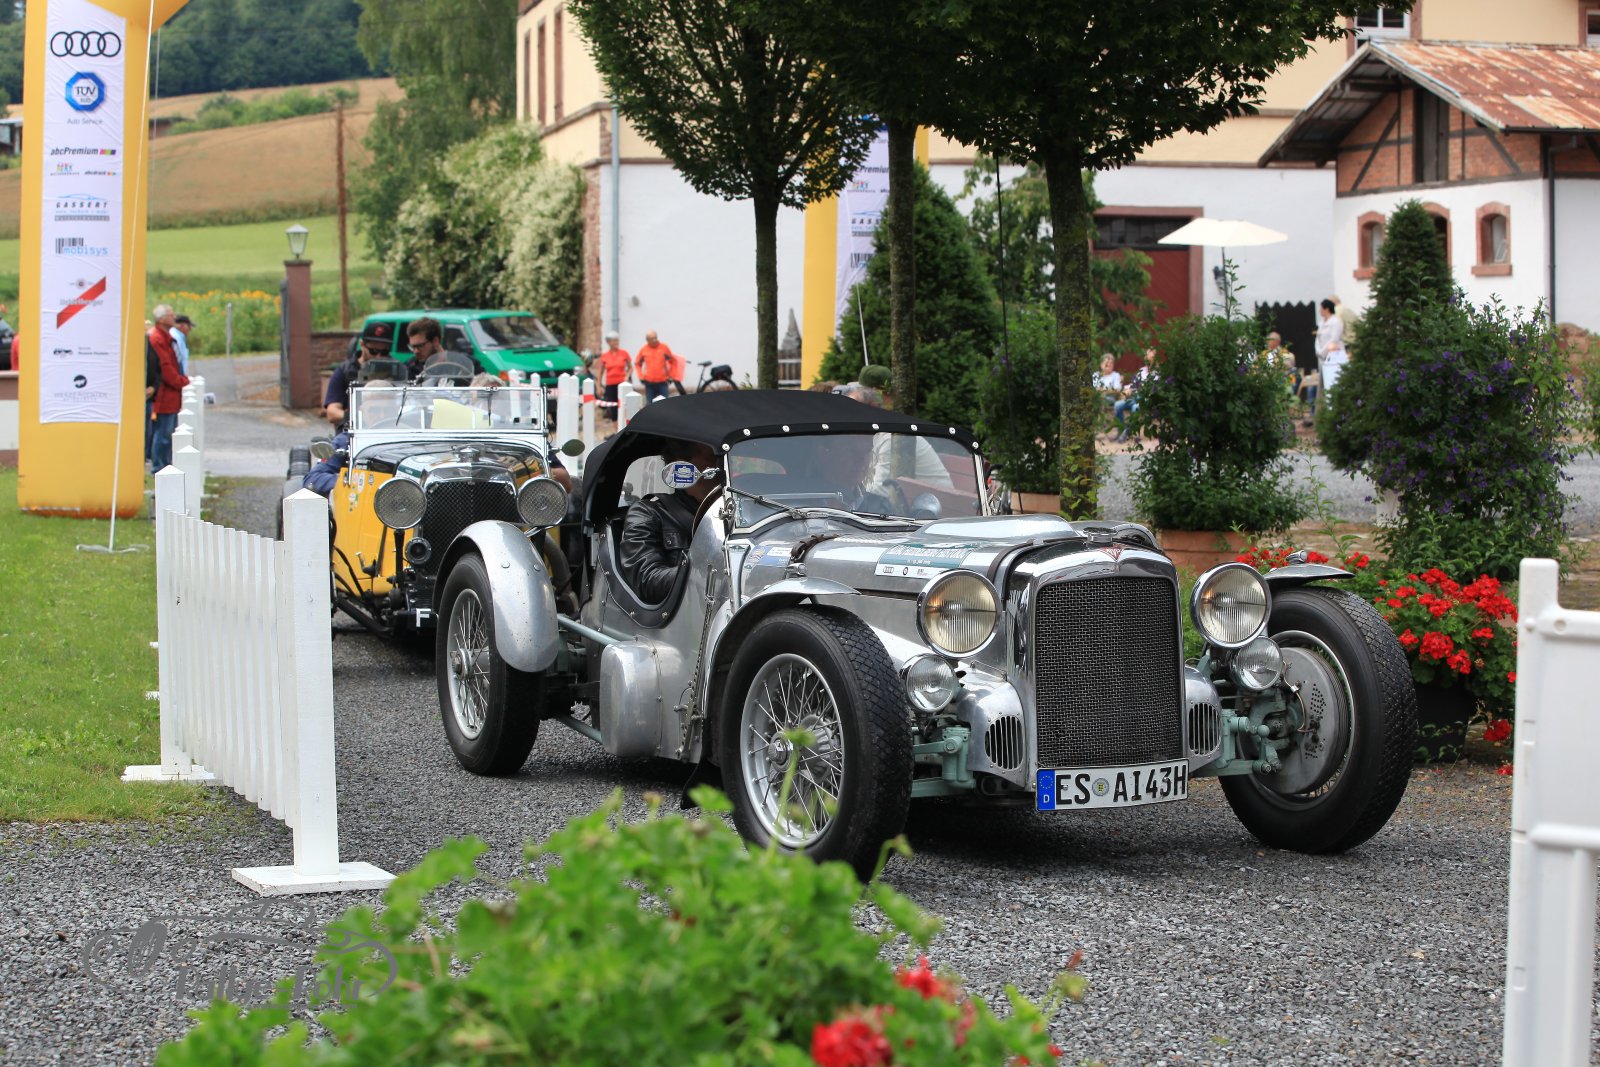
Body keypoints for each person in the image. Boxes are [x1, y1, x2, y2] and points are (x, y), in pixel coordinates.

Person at [618, 440, 718, 602]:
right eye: (713, 458)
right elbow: (646, 579)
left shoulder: (738, 513)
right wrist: (706, 573)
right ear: (681, 466)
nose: (721, 468)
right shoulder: (648, 513)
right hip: (685, 611)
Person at [324, 322, 395, 427]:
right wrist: (360, 417)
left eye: (384, 352)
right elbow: (332, 412)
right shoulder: (344, 371)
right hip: (352, 430)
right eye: (373, 351)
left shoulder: (396, 370)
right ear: (362, 344)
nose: (379, 356)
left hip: (388, 428)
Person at [148, 304, 190, 471]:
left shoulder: (166, 337)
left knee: (168, 431)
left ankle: (165, 465)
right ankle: (159, 467)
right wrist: (180, 381)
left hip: (171, 392)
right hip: (165, 393)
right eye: (170, 315)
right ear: (161, 319)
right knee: (163, 433)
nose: (174, 318)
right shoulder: (158, 338)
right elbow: (165, 366)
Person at [1113, 348, 1155, 442]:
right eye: (1146, 356)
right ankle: (1121, 431)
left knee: (1135, 408)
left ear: (1154, 359)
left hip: (1146, 399)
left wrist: (1140, 389)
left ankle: (1127, 433)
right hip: (1135, 397)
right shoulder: (1142, 370)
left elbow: (1154, 390)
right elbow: (1134, 384)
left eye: (1150, 357)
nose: (1146, 358)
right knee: (1117, 405)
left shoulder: (1157, 373)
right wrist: (1127, 389)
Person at [592, 332, 632, 422]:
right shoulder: (605, 356)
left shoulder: (624, 353)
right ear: (609, 342)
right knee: (613, 410)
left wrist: (627, 375)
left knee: (625, 407)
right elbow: (600, 373)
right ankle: (616, 428)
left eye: (617, 340)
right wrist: (598, 387)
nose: (616, 343)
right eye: (614, 341)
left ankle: (626, 426)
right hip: (610, 385)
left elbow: (630, 368)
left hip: (622, 384)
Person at [1315, 298, 1348, 397]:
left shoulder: (1335, 322)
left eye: (1321, 308)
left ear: (1327, 309)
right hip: (1322, 357)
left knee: (1332, 380)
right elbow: (1318, 338)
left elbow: (1334, 339)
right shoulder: (1321, 323)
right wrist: (1318, 350)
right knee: (1322, 383)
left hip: (1333, 356)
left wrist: (1324, 350)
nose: (1320, 311)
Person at [634, 330, 678, 403]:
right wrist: (640, 376)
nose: (654, 340)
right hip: (649, 383)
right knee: (650, 405)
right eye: (652, 339)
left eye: (655, 338)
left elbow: (673, 361)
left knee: (665, 404)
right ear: (647, 340)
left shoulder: (664, 348)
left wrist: (671, 376)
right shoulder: (644, 349)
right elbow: (637, 363)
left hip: (662, 382)